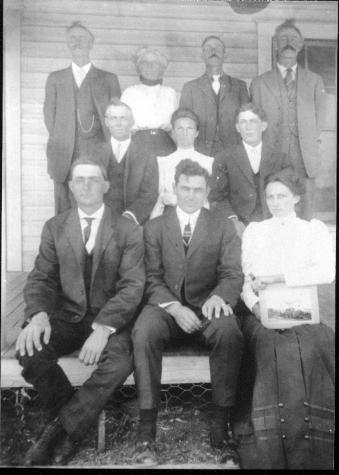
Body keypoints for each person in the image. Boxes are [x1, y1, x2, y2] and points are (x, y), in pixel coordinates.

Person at [16, 159, 145, 466]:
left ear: (106, 186)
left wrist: (103, 329)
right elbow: (42, 278)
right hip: (68, 317)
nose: (86, 186)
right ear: (71, 187)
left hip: (110, 320)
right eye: (80, 180)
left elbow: (132, 286)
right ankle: (74, 422)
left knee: (121, 362)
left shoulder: (127, 229)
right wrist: (39, 315)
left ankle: (60, 433)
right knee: (30, 348)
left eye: (93, 179)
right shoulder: (56, 226)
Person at [132, 159, 244, 467]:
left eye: (198, 190)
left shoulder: (222, 225)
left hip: (208, 305)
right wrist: (174, 306)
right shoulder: (154, 227)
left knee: (229, 331)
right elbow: (151, 277)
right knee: (144, 331)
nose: (191, 195)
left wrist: (220, 296)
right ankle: (146, 432)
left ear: (207, 191)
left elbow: (232, 273)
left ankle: (221, 431)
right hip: (167, 307)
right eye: (185, 188)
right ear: (174, 188)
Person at [234, 169, 334, 469]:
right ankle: (271, 448)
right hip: (263, 313)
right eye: (270, 197)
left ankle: (310, 444)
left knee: (309, 344)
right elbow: (245, 281)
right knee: (271, 345)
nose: (275, 202)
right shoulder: (255, 231)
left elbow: (326, 273)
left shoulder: (313, 230)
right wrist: (256, 308)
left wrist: (280, 277)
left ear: (297, 198)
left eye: (282, 196)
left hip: (303, 312)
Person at [250, 19, 327, 220]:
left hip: (305, 158)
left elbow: (319, 119)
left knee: (306, 212)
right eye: (283, 38)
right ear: (275, 44)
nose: (288, 43)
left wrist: (307, 140)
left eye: (293, 39)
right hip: (273, 155)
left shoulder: (314, 81)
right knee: (273, 208)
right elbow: (255, 122)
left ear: (300, 45)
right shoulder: (259, 83)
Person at [43, 22, 121, 214]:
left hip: (98, 151)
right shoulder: (55, 78)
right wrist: (64, 138)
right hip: (63, 153)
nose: (77, 42)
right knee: (64, 207)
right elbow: (49, 117)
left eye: (82, 38)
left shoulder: (108, 79)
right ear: (67, 43)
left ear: (91, 43)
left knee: (95, 203)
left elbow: (116, 117)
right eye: (72, 38)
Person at [210, 103, 290, 236]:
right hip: (240, 225)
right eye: (243, 122)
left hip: (274, 223)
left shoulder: (280, 158)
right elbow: (217, 197)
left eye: (253, 121)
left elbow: (290, 194)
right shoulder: (224, 158)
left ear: (263, 126)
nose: (248, 127)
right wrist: (233, 220)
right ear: (237, 128)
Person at [179, 35, 249, 156]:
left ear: (225, 55)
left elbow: (246, 119)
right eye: (208, 48)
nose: (213, 51)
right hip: (200, 151)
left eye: (218, 48)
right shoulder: (190, 88)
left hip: (233, 152)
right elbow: (183, 122)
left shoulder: (239, 86)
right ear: (202, 56)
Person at [100, 99, 158, 225]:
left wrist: (130, 217)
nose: (118, 123)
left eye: (123, 118)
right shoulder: (94, 153)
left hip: (132, 223)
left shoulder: (146, 154)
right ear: (106, 122)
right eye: (113, 118)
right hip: (100, 222)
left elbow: (149, 194)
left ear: (132, 122)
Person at [150, 107, 215, 218]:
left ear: (196, 133)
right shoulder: (163, 162)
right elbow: (161, 198)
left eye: (189, 128)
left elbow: (208, 200)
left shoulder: (209, 162)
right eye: (180, 128)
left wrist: (173, 199)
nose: (185, 133)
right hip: (170, 218)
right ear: (173, 132)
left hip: (200, 217)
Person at [121, 47, 177, 159]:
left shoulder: (170, 93)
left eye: (155, 63)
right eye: (145, 63)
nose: (150, 67)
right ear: (138, 68)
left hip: (165, 145)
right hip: (137, 145)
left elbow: (175, 125)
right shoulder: (129, 92)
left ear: (162, 68)